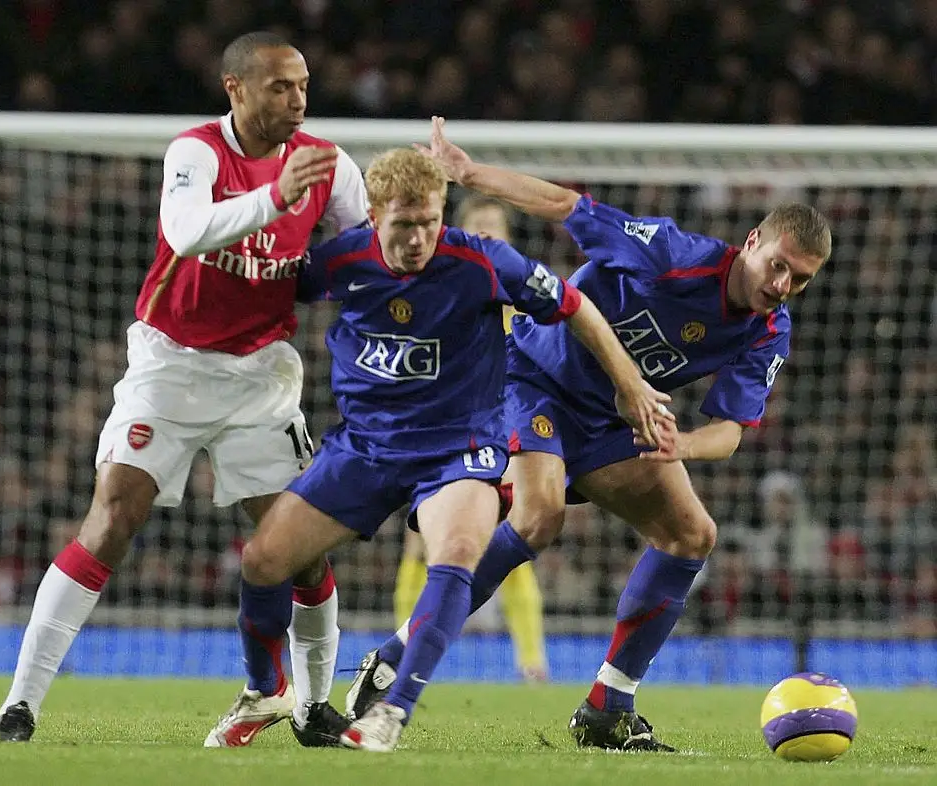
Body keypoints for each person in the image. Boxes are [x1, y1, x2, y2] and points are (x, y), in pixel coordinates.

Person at [348, 116, 832, 751]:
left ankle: (609, 705)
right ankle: (398, 655)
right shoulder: (672, 254)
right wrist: (470, 174)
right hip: (535, 377)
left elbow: (731, 430)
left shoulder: (770, 329)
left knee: (692, 534)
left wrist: (680, 445)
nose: (781, 286)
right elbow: (566, 206)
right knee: (539, 516)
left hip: (610, 420)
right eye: (777, 266)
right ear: (751, 242)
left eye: (798, 279)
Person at [0, 31, 369, 748]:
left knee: (301, 546)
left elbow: (361, 260)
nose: (297, 100)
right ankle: (18, 706)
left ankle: (313, 708)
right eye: (280, 86)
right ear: (236, 88)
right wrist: (275, 196)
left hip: (262, 374)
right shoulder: (196, 153)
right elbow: (187, 234)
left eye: (304, 85)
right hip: (172, 363)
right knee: (113, 516)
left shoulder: (333, 167)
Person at [235, 147, 673, 753]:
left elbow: (577, 308)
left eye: (430, 222)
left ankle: (392, 710)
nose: (418, 239)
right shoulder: (340, 260)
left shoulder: (482, 260)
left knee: (459, 553)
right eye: (403, 225)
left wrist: (630, 386)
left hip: (457, 449)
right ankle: (266, 688)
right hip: (365, 447)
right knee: (262, 561)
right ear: (373, 214)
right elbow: (271, 294)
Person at [392, 193, 549, 682]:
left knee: (510, 542)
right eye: (477, 225)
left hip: (504, 433)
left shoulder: (522, 301)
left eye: (494, 227)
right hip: (442, 429)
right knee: (420, 547)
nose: (486, 234)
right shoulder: (439, 290)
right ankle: (404, 644)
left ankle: (532, 662)